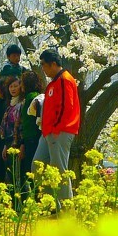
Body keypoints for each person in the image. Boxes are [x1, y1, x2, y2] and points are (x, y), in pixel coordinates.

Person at [33, 49, 80, 206]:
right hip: (47, 132)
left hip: (60, 131)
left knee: (60, 170)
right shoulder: (53, 82)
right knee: (37, 165)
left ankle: (66, 209)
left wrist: (55, 128)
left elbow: (67, 106)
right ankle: (52, 204)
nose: (43, 70)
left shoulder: (65, 80)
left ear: (53, 64)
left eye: (44, 66)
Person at [18, 69, 45, 196]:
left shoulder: (31, 98)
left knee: (31, 170)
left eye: (22, 82)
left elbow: (32, 120)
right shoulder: (34, 96)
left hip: (32, 137)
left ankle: (36, 197)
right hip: (32, 137)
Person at [0, 76, 24, 186]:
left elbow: (22, 126)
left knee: (17, 174)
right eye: (10, 87)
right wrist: (5, 145)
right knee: (9, 175)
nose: (13, 89)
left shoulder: (22, 104)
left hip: (18, 143)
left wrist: (22, 144)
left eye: (15, 86)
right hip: (9, 142)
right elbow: (6, 127)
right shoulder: (9, 106)